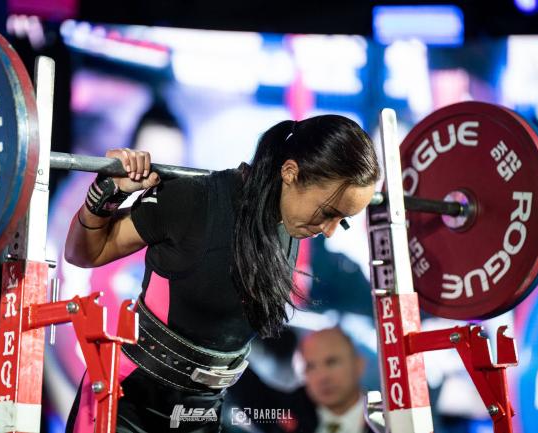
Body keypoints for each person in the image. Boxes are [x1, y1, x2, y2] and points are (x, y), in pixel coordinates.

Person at [64, 114, 380, 432]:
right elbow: (83, 253)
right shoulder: (194, 200)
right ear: (290, 172)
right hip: (126, 404)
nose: (329, 231)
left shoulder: (291, 226)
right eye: (328, 213)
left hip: (200, 416)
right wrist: (108, 189)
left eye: (344, 220)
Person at [227, 327, 372, 433]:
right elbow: (244, 386)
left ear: (359, 365)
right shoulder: (285, 411)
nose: (322, 377)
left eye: (332, 362)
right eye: (310, 366)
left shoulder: (389, 418)